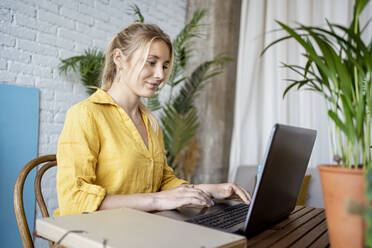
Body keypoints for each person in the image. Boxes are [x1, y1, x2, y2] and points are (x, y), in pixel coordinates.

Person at [55, 23, 251, 216]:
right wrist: (156, 200)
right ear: (119, 58)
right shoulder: (85, 114)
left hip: (141, 228)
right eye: (151, 62)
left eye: (165, 66)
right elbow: (74, 198)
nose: (161, 75)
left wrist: (206, 189)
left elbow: (162, 181)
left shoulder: (149, 123)